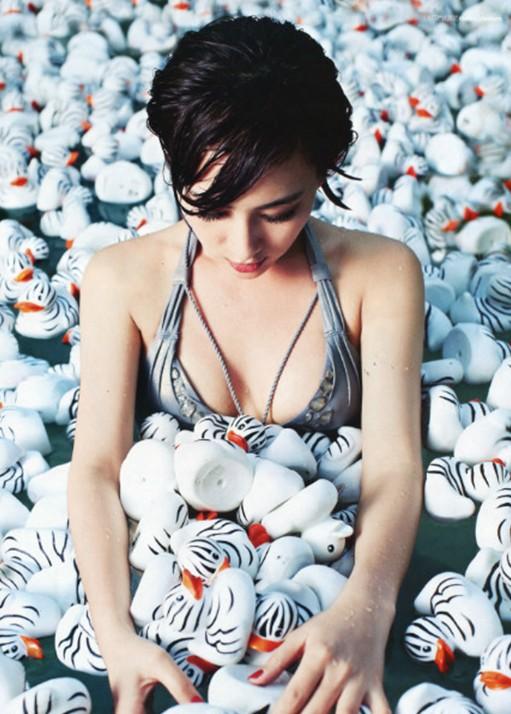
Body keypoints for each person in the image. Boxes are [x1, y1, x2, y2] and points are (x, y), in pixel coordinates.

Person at [68, 14, 424, 714]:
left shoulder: (379, 275)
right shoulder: (122, 280)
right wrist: (115, 635)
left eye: (279, 211)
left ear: (323, 171)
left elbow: (393, 465)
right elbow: (97, 468)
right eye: (208, 208)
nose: (243, 245)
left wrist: (365, 608)